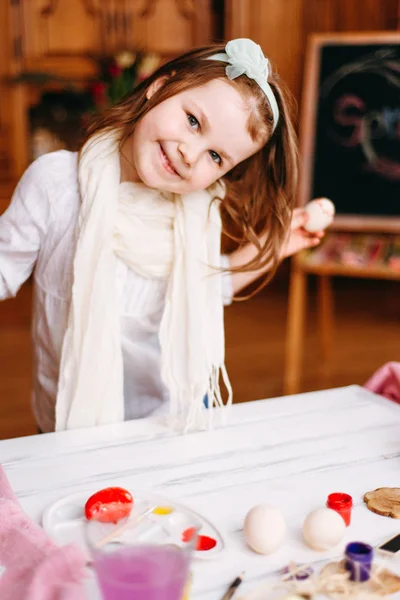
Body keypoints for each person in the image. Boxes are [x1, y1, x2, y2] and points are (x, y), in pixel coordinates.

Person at [0, 39, 322, 433]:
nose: (191, 153)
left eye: (216, 157)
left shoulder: (197, 212)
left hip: (171, 419)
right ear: (159, 87)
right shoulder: (57, 186)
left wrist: (278, 244)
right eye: (193, 121)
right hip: (67, 418)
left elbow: (205, 288)